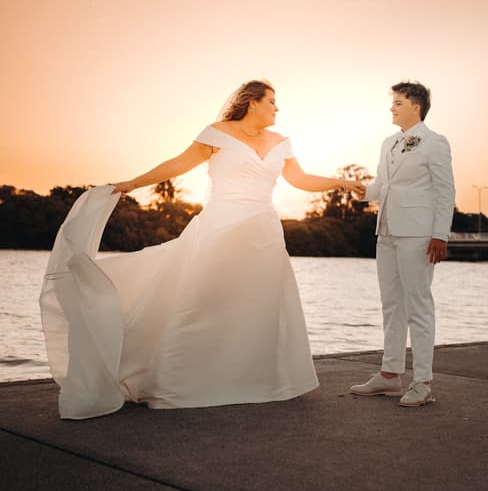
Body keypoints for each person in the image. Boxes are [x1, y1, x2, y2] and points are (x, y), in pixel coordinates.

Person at [40, 79, 364, 419]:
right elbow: (177, 165)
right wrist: (132, 184)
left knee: (257, 306)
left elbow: (301, 180)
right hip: (220, 227)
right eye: (271, 101)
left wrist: (341, 182)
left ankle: (250, 380)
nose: (276, 108)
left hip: (264, 234)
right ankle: (178, 381)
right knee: (201, 302)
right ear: (252, 102)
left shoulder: (280, 142)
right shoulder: (217, 134)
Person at [350, 81, 455, 407]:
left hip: (418, 234)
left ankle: (422, 382)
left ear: (415, 106)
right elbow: (383, 185)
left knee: (418, 305)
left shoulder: (435, 142)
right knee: (391, 305)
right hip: (386, 232)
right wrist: (363, 192)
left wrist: (440, 234)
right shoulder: (388, 143)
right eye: (392, 102)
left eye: (398, 103)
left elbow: (445, 191)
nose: (392, 108)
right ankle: (390, 374)